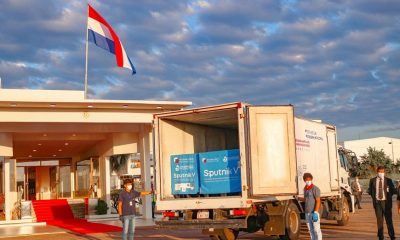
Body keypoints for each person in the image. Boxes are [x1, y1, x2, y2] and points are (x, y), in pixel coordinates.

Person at [368, 166, 397, 240]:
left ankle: (392, 235)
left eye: (382, 172)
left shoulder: (389, 180)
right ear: (377, 172)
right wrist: (375, 199)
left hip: (386, 203)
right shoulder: (372, 181)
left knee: (389, 220)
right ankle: (381, 236)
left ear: (384, 172)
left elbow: (393, 191)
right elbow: (370, 191)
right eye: (380, 172)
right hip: (377, 203)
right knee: (379, 221)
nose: (381, 173)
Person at [303, 173, 323, 240]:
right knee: (310, 230)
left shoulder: (315, 189)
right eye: (306, 180)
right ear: (304, 181)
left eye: (309, 180)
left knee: (316, 229)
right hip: (307, 212)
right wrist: (298, 198)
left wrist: (315, 212)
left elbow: (318, 201)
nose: (308, 181)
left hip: (314, 213)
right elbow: (306, 199)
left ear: (311, 179)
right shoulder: (305, 189)